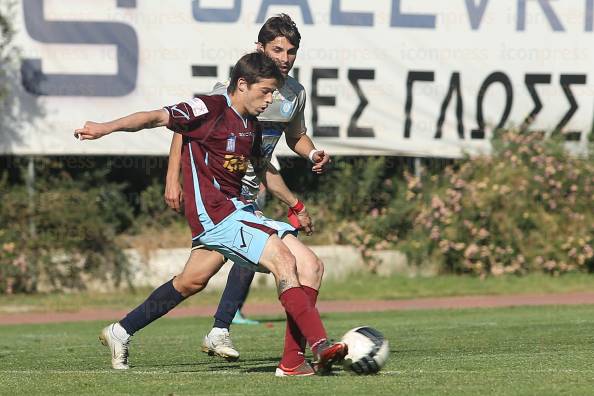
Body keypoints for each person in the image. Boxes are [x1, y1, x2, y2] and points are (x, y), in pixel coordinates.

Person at [74, 52, 346, 377]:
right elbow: (154, 117)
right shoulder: (209, 108)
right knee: (284, 261)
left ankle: (120, 331)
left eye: (274, 92)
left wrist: (295, 203)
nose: (271, 99)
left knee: (307, 266)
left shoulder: (251, 127)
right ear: (242, 85)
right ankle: (318, 345)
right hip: (216, 217)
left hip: (237, 212)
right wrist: (104, 128)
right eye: (265, 91)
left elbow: (265, 172)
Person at [163, 14, 331, 365]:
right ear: (260, 48)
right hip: (222, 195)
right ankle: (233, 331)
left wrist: (312, 152)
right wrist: (172, 179)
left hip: (257, 187)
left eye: (291, 52)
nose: (285, 59)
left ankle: (251, 339)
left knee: (207, 274)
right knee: (205, 275)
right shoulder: (231, 88)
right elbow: (183, 125)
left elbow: (296, 136)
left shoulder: (295, 94)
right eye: (277, 50)